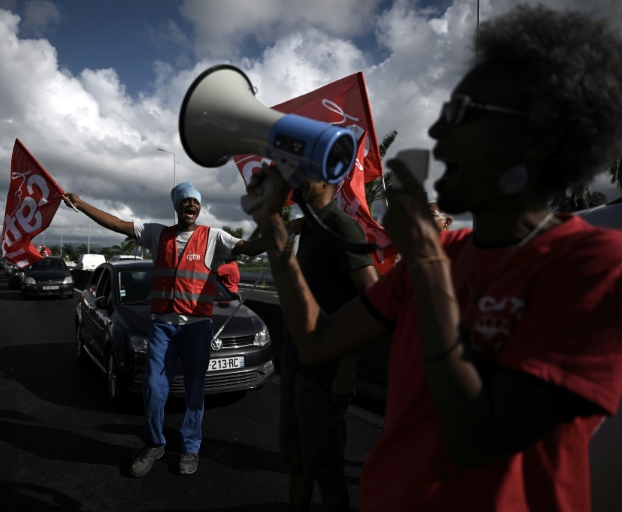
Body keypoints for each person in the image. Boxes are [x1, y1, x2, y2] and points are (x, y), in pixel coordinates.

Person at [248, 6, 622, 511]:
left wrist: (423, 261)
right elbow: (316, 344)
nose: (441, 131)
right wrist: (273, 231)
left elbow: (474, 439)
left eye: (464, 112)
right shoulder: (446, 254)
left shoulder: (595, 265)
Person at [63, 182, 265, 477]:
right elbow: (118, 224)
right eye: (186, 202)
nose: (191, 206)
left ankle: (190, 447)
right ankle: (154, 443)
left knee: (195, 392)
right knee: (154, 389)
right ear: (177, 206)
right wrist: (81, 204)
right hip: (163, 328)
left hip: (197, 328)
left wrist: (283, 230)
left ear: (199, 207)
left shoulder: (213, 238)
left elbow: (250, 248)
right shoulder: (158, 234)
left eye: (195, 202)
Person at [279, 181, 378, 512]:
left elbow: (373, 301)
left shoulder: (340, 226)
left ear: (328, 180)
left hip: (323, 374)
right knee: (296, 461)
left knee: (327, 472)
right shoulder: (309, 228)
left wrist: (346, 370)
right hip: (294, 365)